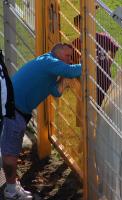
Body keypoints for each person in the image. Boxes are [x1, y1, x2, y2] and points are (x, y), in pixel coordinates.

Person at [0, 43, 82, 200]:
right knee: (10, 153)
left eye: (71, 58)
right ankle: (10, 191)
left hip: (13, 109)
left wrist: (65, 77)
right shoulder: (49, 62)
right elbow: (72, 70)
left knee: (7, 148)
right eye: (68, 56)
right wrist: (89, 62)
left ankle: (9, 184)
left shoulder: (47, 67)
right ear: (58, 51)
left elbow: (56, 91)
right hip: (14, 111)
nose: (70, 60)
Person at [72, 14, 119, 106]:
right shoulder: (76, 43)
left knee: (106, 105)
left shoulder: (103, 38)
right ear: (76, 27)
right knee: (91, 106)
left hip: (104, 79)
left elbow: (114, 49)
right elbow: (74, 62)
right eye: (80, 25)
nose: (83, 28)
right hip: (88, 82)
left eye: (85, 24)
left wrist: (109, 62)